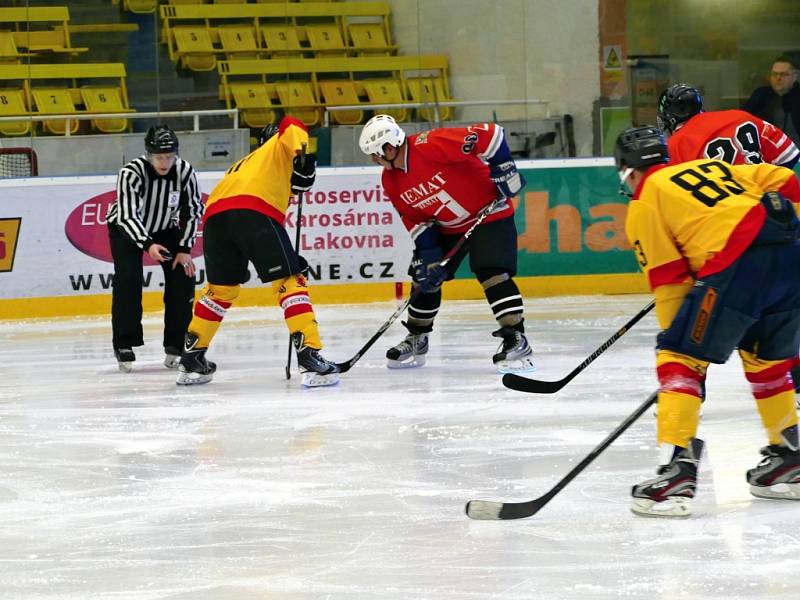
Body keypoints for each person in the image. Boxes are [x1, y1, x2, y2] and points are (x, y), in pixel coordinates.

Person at [615, 125, 800, 518]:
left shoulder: (646, 199)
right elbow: (783, 177)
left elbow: (670, 283)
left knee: (678, 356)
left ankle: (676, 472)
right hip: (790, 254)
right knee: (767, 361)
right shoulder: (709, 167)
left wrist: (683, 353)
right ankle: (790, 459)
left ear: (628, 171)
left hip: (738, 264)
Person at [358, 114, 533, 372]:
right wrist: (428, 255)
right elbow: (414, 219)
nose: (374, 160)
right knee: (423, 276)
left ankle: (515, 338)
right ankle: (417, 337)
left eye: (375, 154)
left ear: (389, 146)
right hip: (449, 227)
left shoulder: (432, 144)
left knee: (491, 271)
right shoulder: (390, 179)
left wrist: (504, 167)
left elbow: (492, 135)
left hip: (489, 213)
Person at [176, 115, 340, 388]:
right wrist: (302, 151)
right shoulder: (279, 146)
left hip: (216, 217)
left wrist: (286, 256)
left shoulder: (246, 165)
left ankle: (192, 357)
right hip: (252, 211)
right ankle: (310, 356)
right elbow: (292, 123)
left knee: (220, 290)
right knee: (290, 281)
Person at [106, 125, 203, 373]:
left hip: (164, 229)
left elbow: (193, 211)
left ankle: (176, 343)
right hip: (127, 230)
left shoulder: (184, 171)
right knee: (128, 279)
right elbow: (127, 215)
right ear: (149, 155)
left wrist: (184, 248)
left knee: (183, 275)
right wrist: (147, 244)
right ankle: (124, 344)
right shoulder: (131, 173)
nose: (165, 162)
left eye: (169, 156)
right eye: (159, 157)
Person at [657, 82, 799, 168]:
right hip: (763, 205)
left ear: (670, 119)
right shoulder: (740, 116)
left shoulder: (674, 146)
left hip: (721, 212)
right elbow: (789, 156)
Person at [743, 56, 800, 148]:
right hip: (766, 155)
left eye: (783, 74)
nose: (778, 78)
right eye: (774, 74)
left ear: (794, 77)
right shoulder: (761, 96)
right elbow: (744, 120)